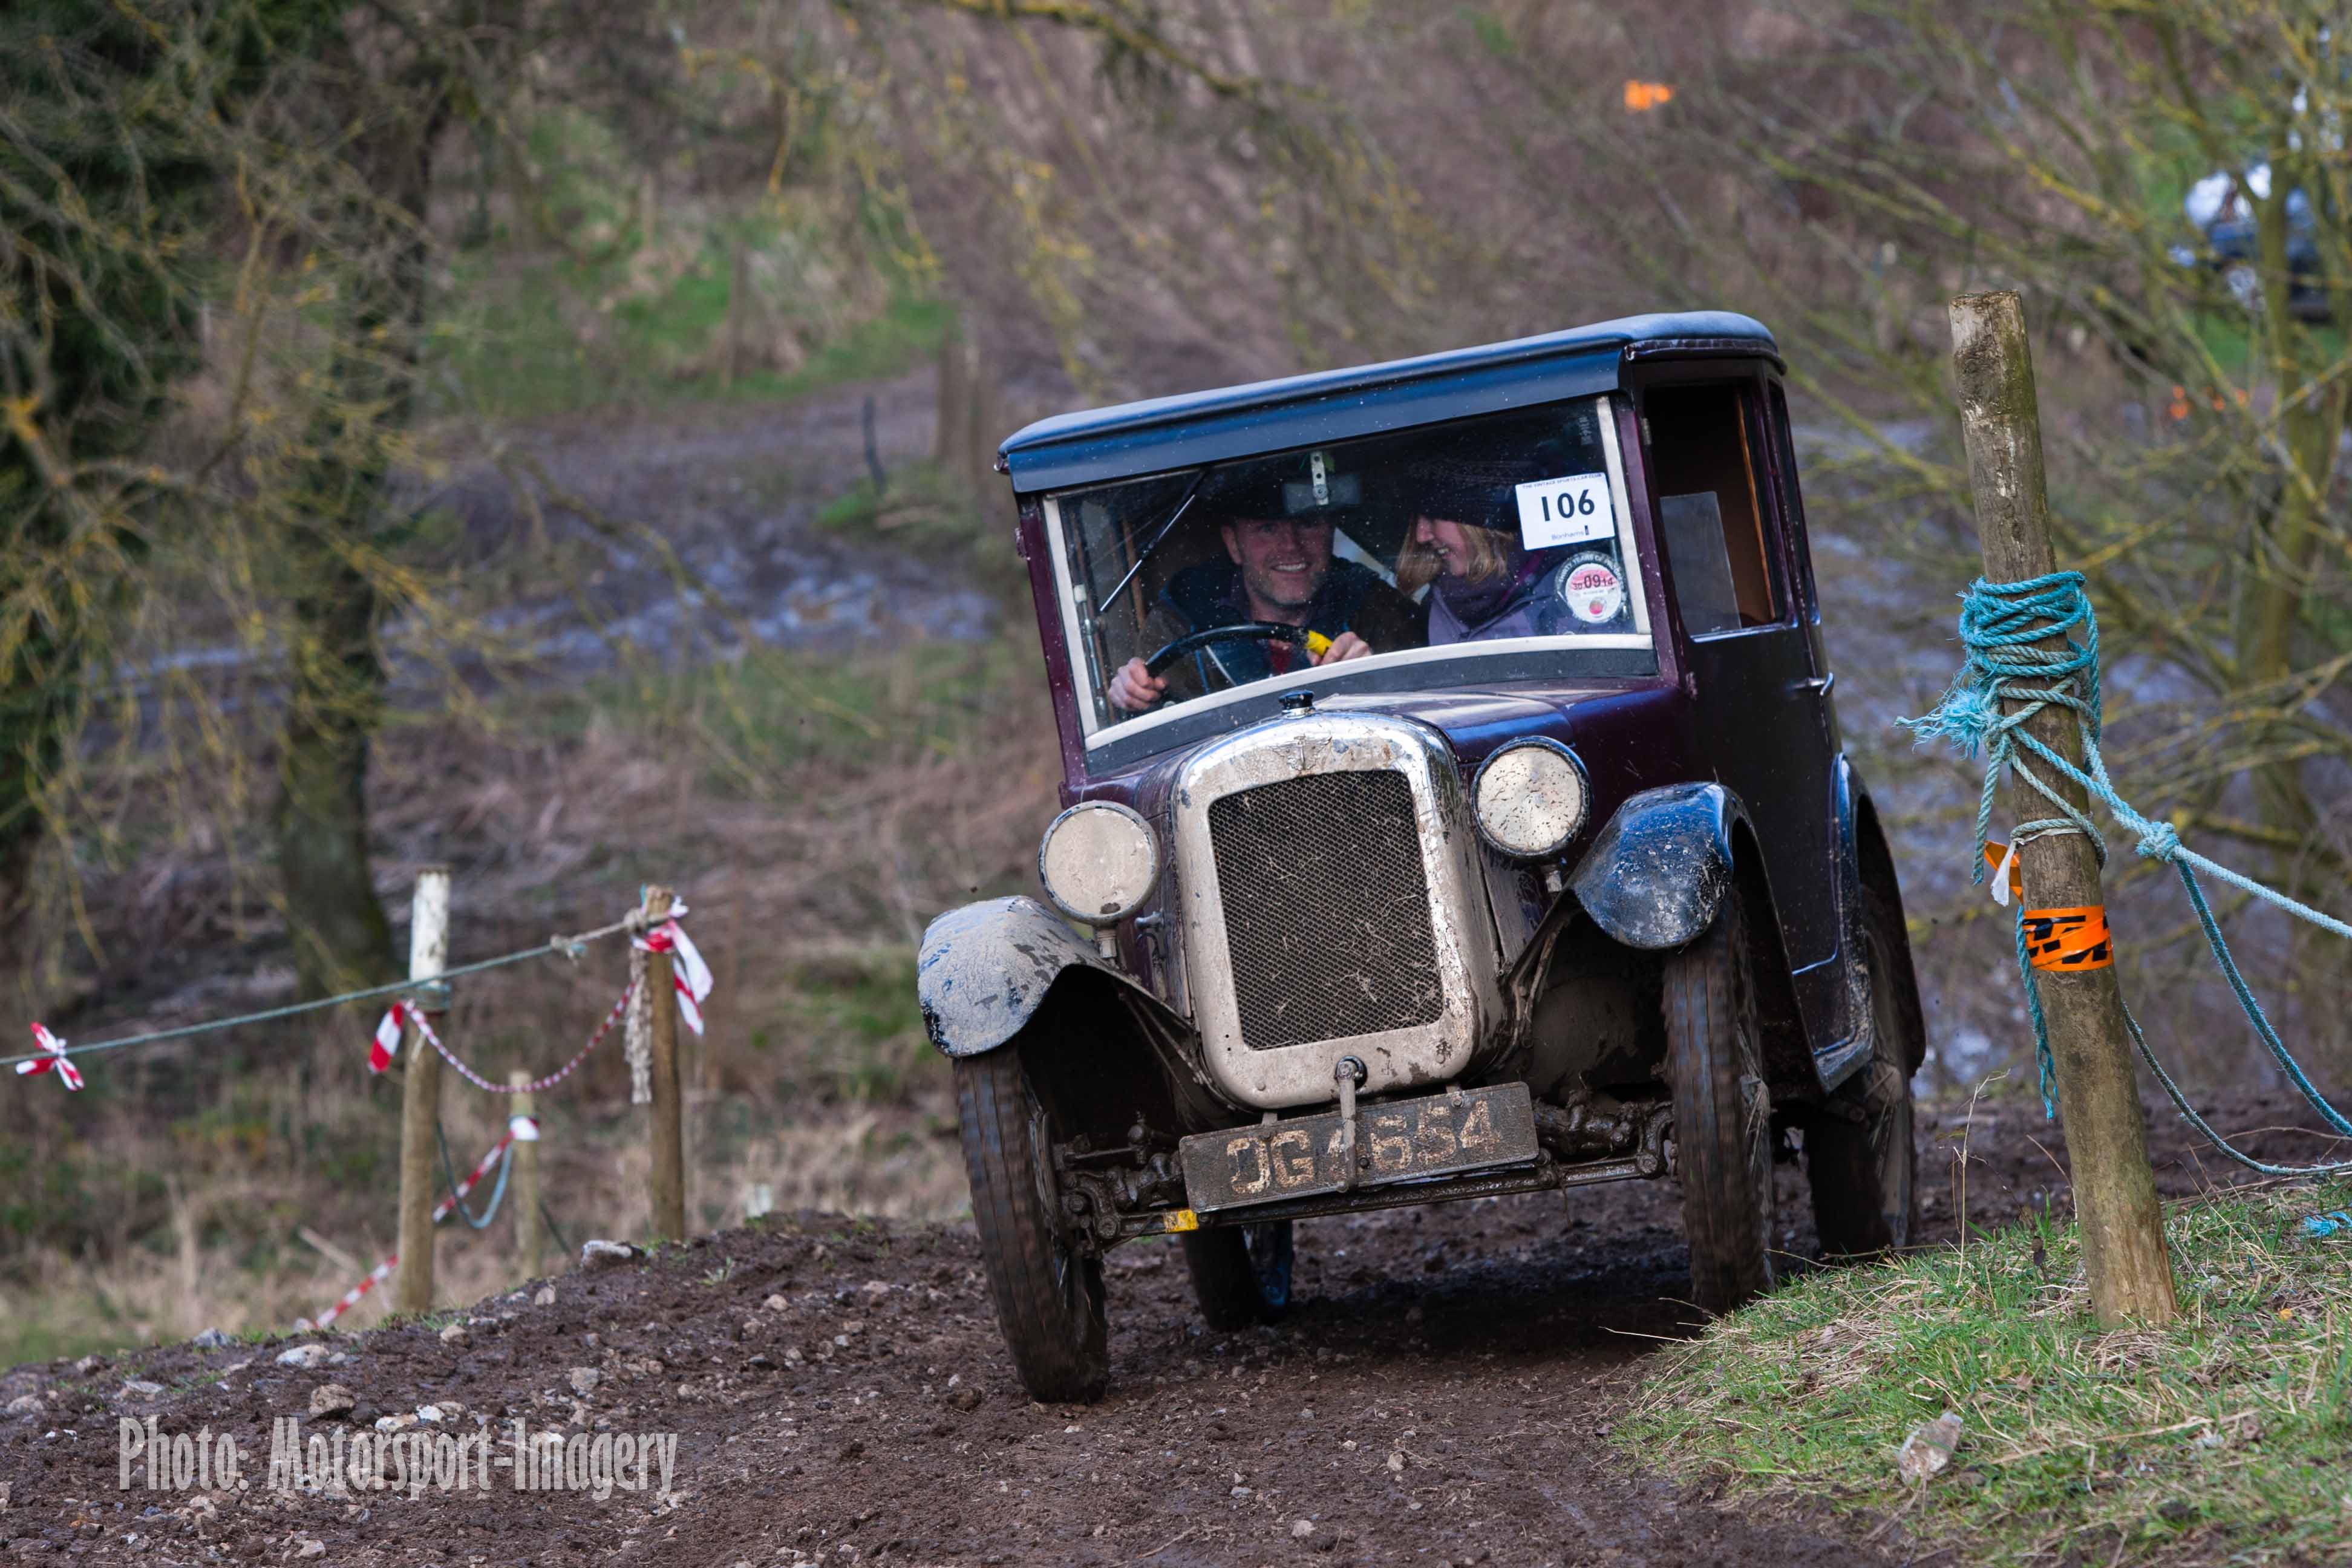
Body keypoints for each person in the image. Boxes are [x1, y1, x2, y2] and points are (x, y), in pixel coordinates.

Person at [1105, 511, 1421, 712]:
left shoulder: (1381, 610)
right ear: (1233, 543)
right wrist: (1133, 694)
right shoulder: (1179, 623)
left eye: (1308, 523)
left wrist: (1376, 676)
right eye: (1267, 528)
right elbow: (1155, 747)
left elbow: (1431, 707)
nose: (1291, 546)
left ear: (1331, 531)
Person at [1394, 465, 1632, 644]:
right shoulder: (1438, 604)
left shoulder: (1575, 590)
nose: (1421, 536)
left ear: (1475, 520)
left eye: (1431, 517)